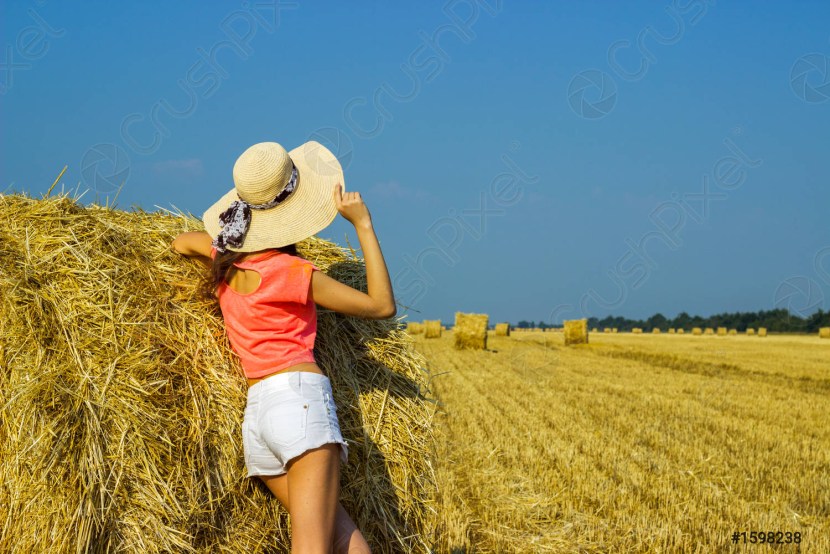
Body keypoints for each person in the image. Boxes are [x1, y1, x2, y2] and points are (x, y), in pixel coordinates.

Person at [172, 140, 395, 553]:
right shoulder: (292, 272)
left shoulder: (226, 266)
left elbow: (181, 242)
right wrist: (363, 224)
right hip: (300, 405)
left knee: (340, 535)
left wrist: (224, 244)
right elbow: (381, 306)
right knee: (313, 545)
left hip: (259, 417)